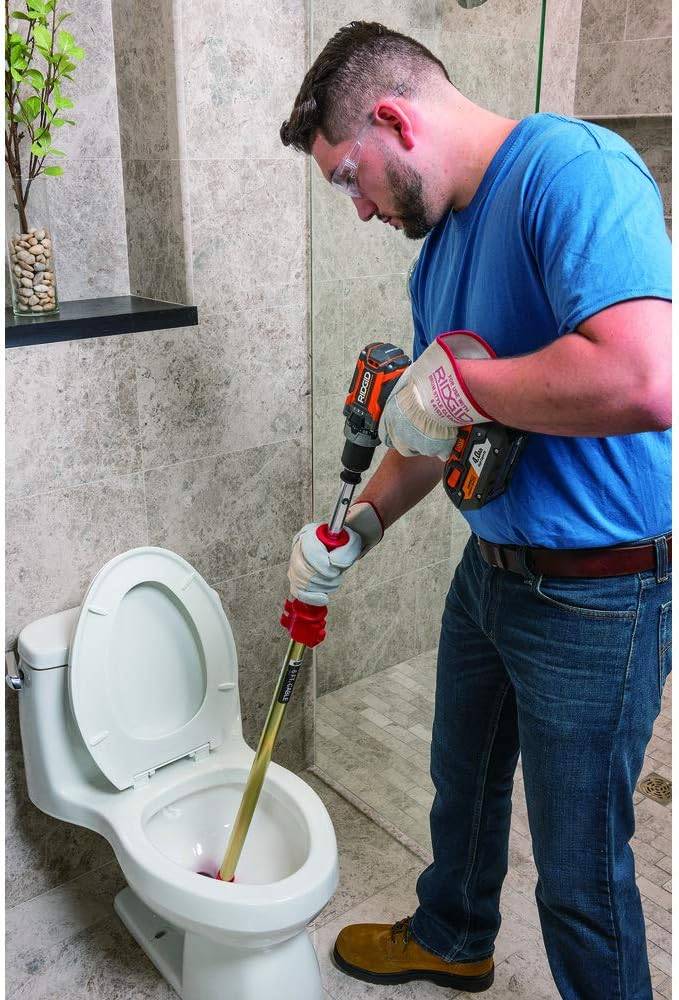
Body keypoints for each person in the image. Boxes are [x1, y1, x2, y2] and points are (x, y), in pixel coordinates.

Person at [281, 21, 671, 999]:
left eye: (347, 178)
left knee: (579, 873)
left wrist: (466, 387)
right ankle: (453, 936)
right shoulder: (439, 254)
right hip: (490, 574)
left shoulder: (571, 172)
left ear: (392, 117)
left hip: (597, 592)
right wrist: (354, 529)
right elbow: (429, 428)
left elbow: (644, 376)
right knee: (462, 787)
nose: (358, 209)